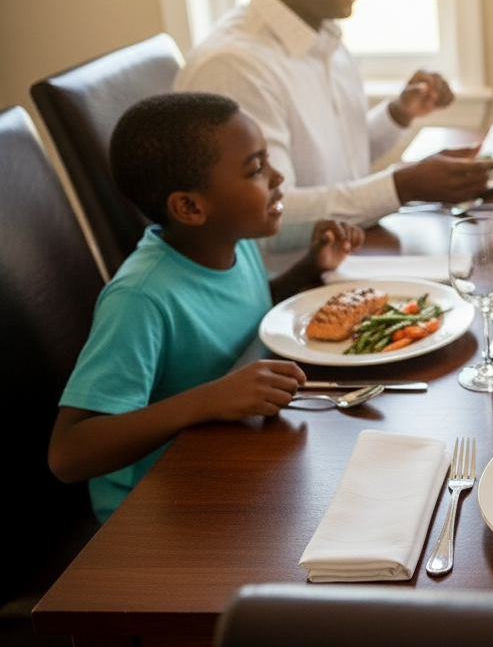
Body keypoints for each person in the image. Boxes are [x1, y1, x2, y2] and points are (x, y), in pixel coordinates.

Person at [48, 93, 364, 523]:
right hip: (153, 508)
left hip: (225, 457)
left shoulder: (234, 242)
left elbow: (240, 315)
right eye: (255, 169)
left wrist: (310, 267)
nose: (277, 176)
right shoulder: (140, 298)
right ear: (191, 207)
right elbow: (68, 454)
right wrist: (208, 400)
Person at [174, 0, 493, 252]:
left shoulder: (322, 33)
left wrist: (398, 113)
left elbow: (336, 162)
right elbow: (268, 214)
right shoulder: (235, 67)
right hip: (291, 282)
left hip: (344, 253)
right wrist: (404, 185)